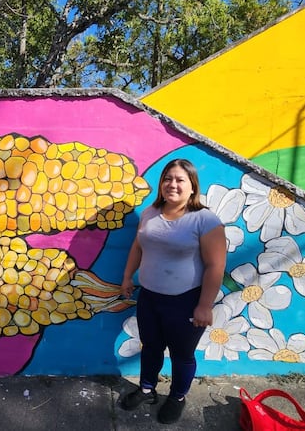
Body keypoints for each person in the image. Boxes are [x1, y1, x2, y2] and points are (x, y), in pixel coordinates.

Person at [118, 158, 226, 424]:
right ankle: (146, 388)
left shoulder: (205, 220)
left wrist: (205, 306)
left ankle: (177, 396)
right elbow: (138, 247)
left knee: (182, 355)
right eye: (167, 179)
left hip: (186, 302)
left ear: (192, 187)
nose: (172, 184)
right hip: (150, 297)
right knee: (151, 346)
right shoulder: (150, 213)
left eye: (180, 180)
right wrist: (126, 276)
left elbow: (215, 265)